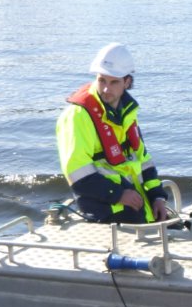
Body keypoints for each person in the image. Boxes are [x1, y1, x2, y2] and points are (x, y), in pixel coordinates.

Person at [55, 42, 170, 224]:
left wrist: (157, 197)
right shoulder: (78, 116)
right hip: (105, 210)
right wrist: (118, 194)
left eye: (114, 82)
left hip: (134, 203)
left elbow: (144, 161)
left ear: (127, 82)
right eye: (102, 80)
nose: (106, 89)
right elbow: (77, 173)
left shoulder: (126, 113)